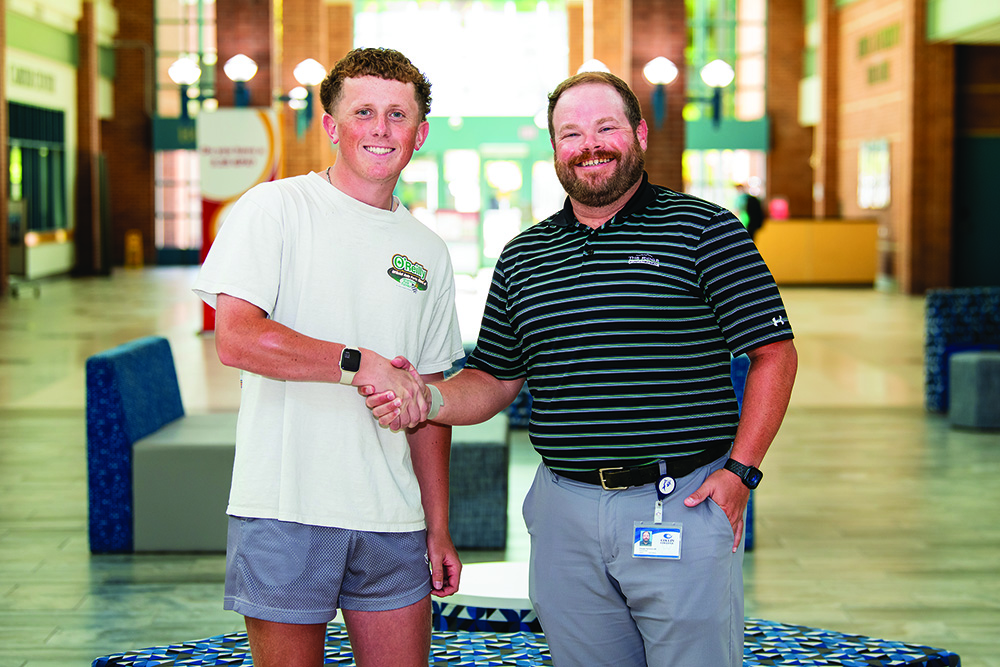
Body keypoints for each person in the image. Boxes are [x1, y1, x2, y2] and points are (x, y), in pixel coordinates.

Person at [366, 71, 797, 666]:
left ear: (639, 134)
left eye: (605, 127)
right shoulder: (524, 257)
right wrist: (427, 397)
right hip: (563, 513)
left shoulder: (706, 230)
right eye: (571, 133)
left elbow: (774, 352)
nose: (589, 145)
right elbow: (494, 378)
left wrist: (741, 473)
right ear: (555, 149)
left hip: (681, 502)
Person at [192, 47, 464, 667]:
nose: (380, 128)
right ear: (331, 126)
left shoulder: (428, 250)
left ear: (420, 134)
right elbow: (236, 338)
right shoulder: (274, 208)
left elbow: (429, 401)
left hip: (394, 517)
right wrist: (357, 363)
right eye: (363, 111)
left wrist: (438, 525)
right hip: (285, 507)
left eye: (397, 114)